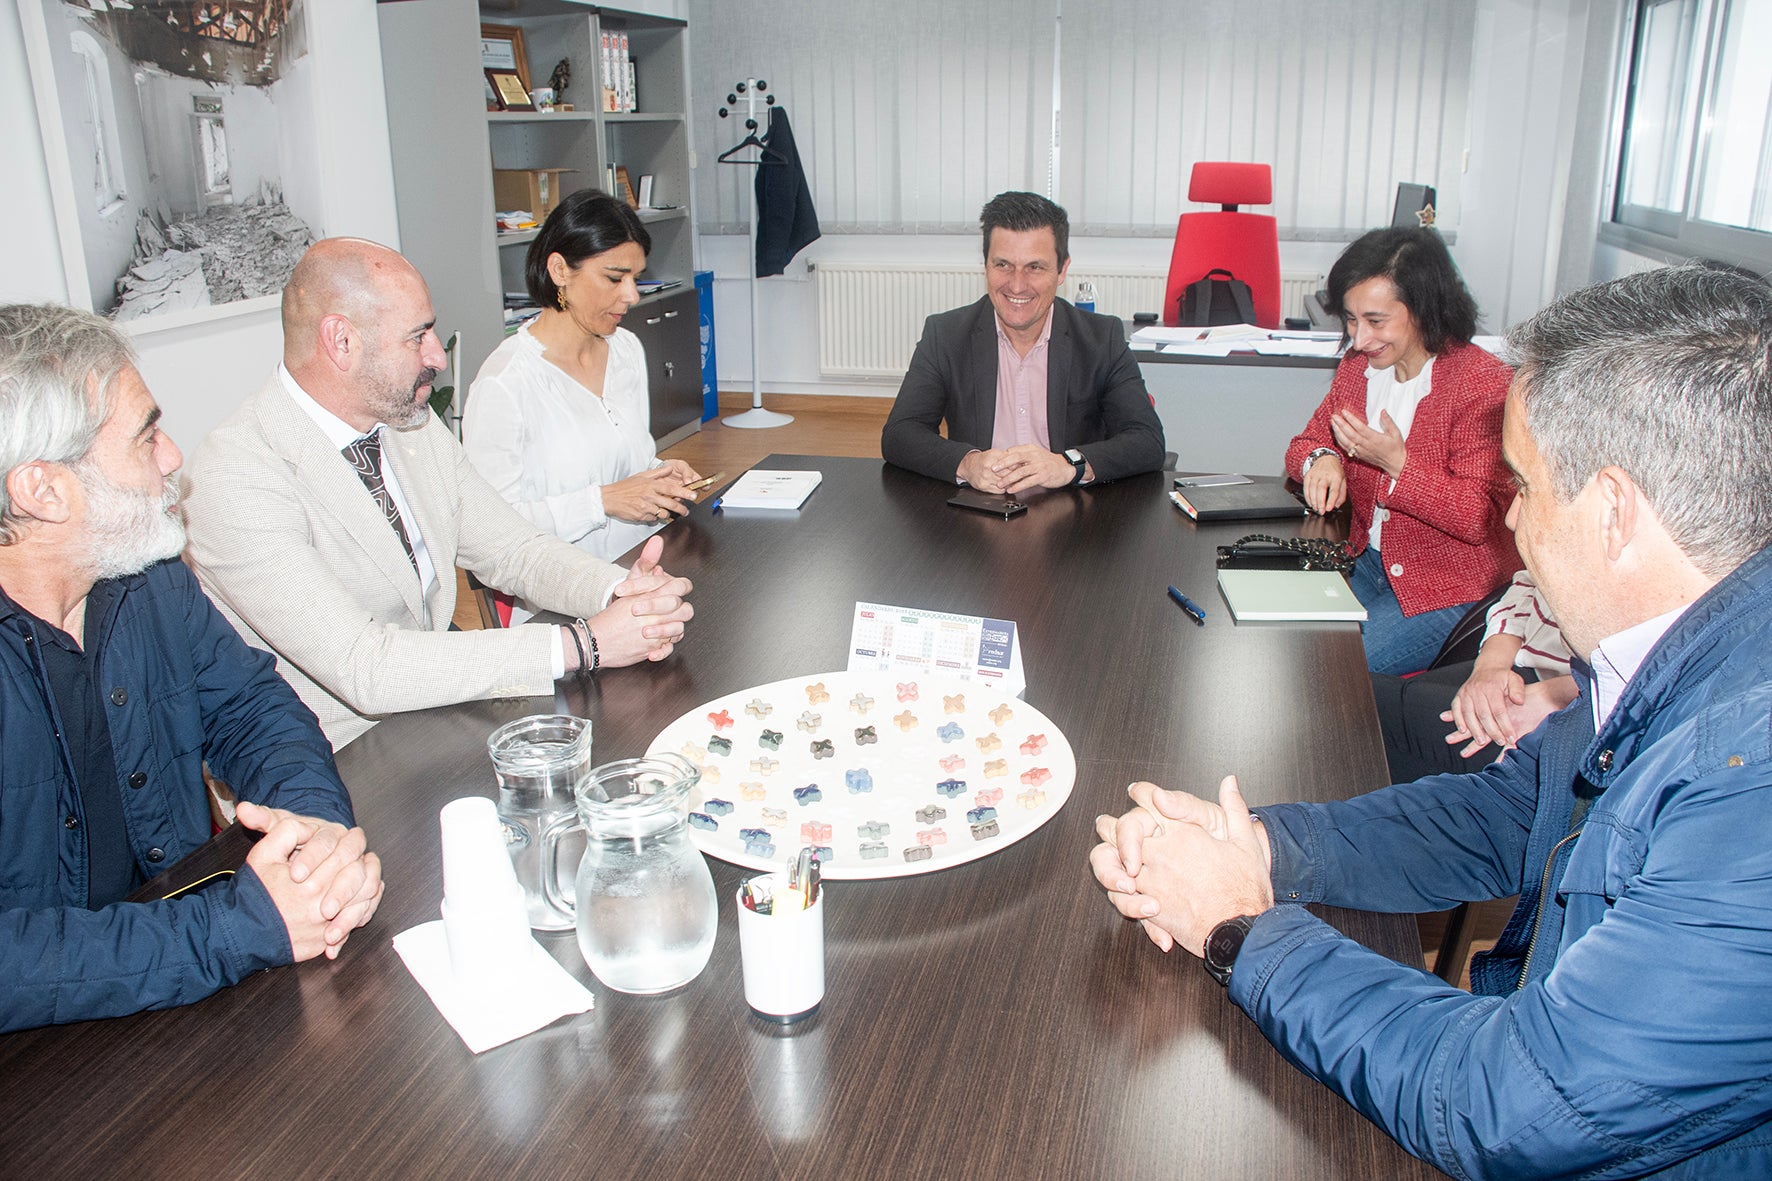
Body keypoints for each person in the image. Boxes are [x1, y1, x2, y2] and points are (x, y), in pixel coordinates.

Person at [1091, 263, 1772, 1178]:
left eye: (1523, 486)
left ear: (1615, 513)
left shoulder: (1751, 790)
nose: (1514, 525)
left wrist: (1237, 925)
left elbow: (1511, 1105)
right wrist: (1255, 842)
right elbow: (1499, 816)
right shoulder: (1643, 654)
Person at [0, 303, 382, 1032]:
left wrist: (317, 843)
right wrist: (233, 931)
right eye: (146, 435)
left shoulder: (146, 577)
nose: (172, 456)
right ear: (42, 490)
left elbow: (254, 710)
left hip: (193, 1008)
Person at [182, 238, 695, 750]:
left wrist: (620, 594)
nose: (438, 358)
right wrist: (583, 644)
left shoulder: (410, 424)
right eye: (417, 337)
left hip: (431, 714)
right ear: (341, 342)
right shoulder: (234, 476)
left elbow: (512, 549)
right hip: (329, 756)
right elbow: (364, 666)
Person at [1283, 227, 1517, 675]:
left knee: (1331, 671)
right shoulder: (1359, 370)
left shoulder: (1481, 384)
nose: (1358, 339)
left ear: (1424, 310)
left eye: (1375, 321)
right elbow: (1303, 445)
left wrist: (1398, 464)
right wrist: (1324, 458)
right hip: (1370, 563)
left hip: (1451, 586)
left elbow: (1477, 517)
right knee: (1291, 646)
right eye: (1350, 320)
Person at [465, 191, 703, 620]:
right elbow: (488, 537)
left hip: (643, 572)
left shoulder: (626, 349)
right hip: (563, 611)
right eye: (614, 278)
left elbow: (625, 458)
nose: (632, 295)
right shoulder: (505, 385)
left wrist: (659, 475)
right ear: (559, 270)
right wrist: (603, 501)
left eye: (636, 277)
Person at [880, 191, 1165, 493]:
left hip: (1073, 512)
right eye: (1003, 265)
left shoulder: (1100, 339)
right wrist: (968, 463)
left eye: (1035, 267)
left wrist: (1069, 464)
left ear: (1062, 270)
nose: (1017, 285)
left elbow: (1147, 440)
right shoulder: (946, 335)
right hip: (979, 512)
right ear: (985, 265)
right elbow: (900, 433)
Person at [1373, 569, 1577, 782]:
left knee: (1362, 703)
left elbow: (1613, 675)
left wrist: (1556, 694)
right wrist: (1490, 666)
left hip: (1577, 705)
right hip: (1518, 663)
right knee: (1375, 710)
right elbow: (1526, 587)